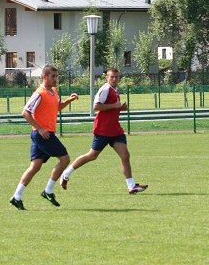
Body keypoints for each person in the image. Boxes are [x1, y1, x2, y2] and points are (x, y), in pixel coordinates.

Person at [60, 67, 148, 195]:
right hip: (103, 129)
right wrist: (114, 106)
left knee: (125, 155)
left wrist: (120, 109)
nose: (114, 79)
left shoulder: (115, 89)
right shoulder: (105, 89)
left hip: (115, 129)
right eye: (111, 77)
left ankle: (131, 186)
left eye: (116, 77)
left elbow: (111, 108)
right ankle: (66, 173)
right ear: (106, 77)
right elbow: (96, 106)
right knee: (92, 155)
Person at [9, 64, 78, 210]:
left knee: (34, 167)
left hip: (44, 133)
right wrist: (40, 128)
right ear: (44, 77)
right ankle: (48, 191)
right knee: (65, 159)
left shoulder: (53, 91)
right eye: (53, 76)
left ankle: (16, 197)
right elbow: (25, 112)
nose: (55, 79)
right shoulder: (39, 93)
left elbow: (57, 107)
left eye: (56, 76)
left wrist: (68, 100)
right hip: (42, 135)